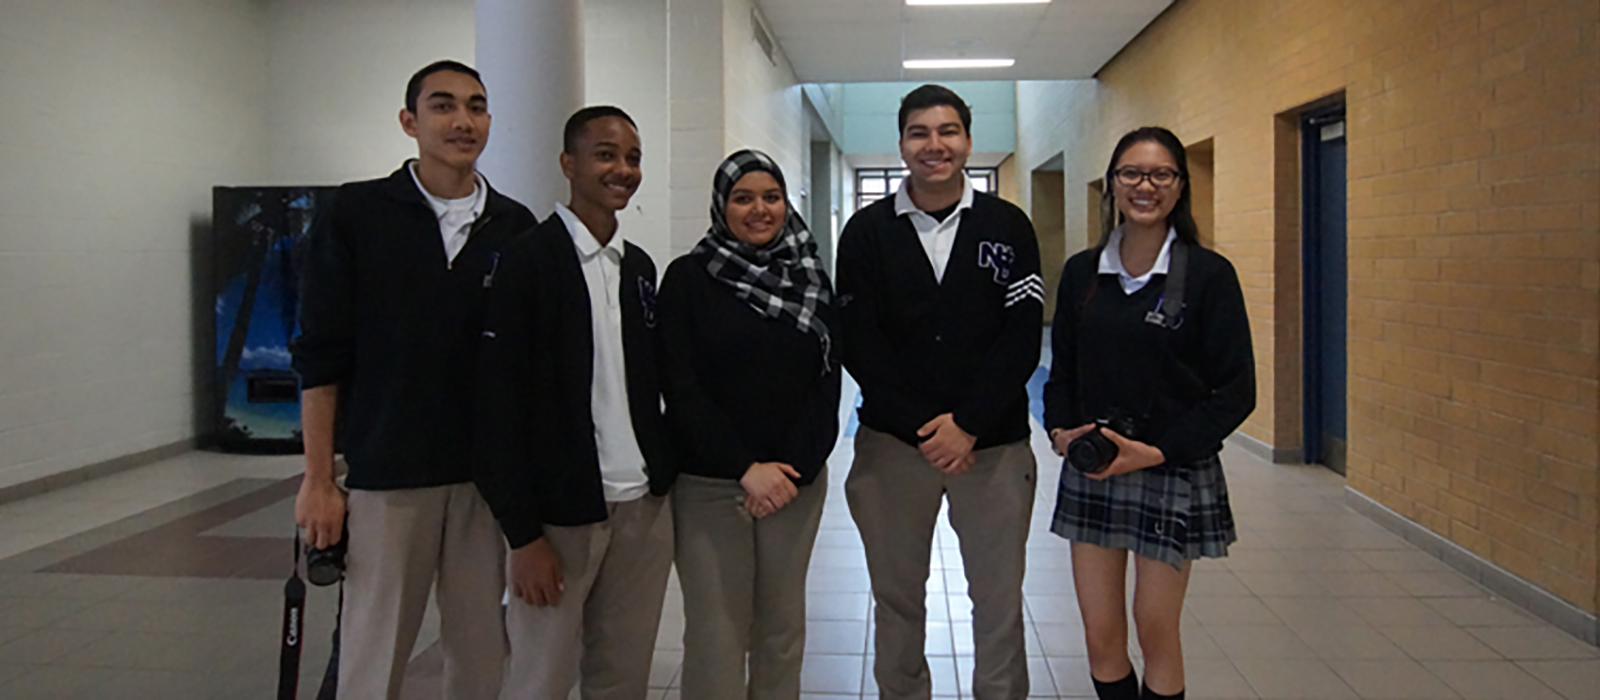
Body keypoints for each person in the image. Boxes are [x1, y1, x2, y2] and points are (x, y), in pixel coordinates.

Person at [290, 59, 538, 700]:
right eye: (443, 105)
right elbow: (320, 354)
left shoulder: (515, 227)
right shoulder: (359, 213)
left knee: (482, 654)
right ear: (410, 121)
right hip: (387, 478)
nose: (463, 121)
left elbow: (529, 365)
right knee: (373, 657)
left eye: (477, 106)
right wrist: (319, 480)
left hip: (485, 484)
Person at [836, 84, 1044, 700]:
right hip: (894, 447)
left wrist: (970, 423)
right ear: (901, 144)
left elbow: (1022, 337)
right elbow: (859, 341)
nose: (935, 145)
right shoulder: (867, 232)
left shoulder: (1008, 226)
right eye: (920, 132)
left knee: (998, 599)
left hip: (994, 448)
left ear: (968, 142)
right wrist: (930, 426)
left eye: (948, 131)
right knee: (897, 598)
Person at [1043, 126, 1255, 700]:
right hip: (1094, 469)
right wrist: (1062, 433)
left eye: (1161, 174)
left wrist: (1159, 449)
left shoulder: (1209, 276)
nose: (1145, 185)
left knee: (1156, 627)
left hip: (1170, 468)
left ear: (1180, 187)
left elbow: (1237, 391)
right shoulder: (1084, 273)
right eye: (1131, 173)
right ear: (1112, 185)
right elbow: (1060, 374)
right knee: (1100, 634)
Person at [474, 105, 675, 700]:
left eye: (633, 157)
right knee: (541, 678)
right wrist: (523, 536)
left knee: (624, 677)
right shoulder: (527, 261)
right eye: (606, 154)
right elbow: (497, 406)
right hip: (560, 518)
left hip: (639, 507)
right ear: (569, 163)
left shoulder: (638, 267)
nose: (622, 169)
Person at [657, 149, 841, 699]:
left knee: (782, 630)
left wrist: (794, 471)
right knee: (716, 633)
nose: (759, 209)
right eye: (743, 197)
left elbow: (827, 382)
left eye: (771, 196)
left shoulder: (809, 277)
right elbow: (680, 388)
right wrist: (745, 469)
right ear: (721, 206)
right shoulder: (688, 279)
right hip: (710, 485)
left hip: (794, 486)